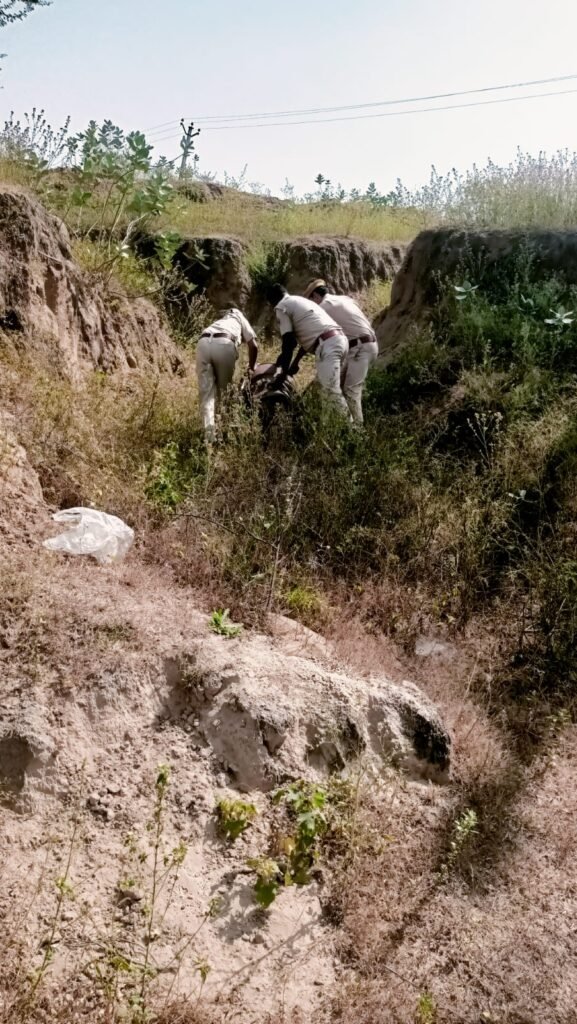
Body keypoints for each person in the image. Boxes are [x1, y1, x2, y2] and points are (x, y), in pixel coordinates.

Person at [266, 283, 350, 418]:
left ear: (272, 301)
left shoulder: (281, 306)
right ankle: (329, 429)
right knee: (325, 393)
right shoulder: (300, 301)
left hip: (327, 346)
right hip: (340, 341)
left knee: (331, 392)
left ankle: (352, 432)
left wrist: (281, 376)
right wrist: (295, 362)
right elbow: (308, 337)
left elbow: (289, 343)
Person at [303, 279, 378, 424]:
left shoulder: (323, 307)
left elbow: (316, 336)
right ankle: (340, 427)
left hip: (360, 348)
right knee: (337, 388)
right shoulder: (345, 299)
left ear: (315, 297)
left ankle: (357, 435)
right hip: (363, 346)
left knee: (351, 391)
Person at [196, 307, 258, 440]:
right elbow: (253, 345)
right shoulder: (239, 317)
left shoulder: (221, 322)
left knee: (206, 395)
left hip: (203, 342)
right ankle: (223, 433)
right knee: (224, 394)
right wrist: (251, 368)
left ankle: (209, 437)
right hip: (224, 344)